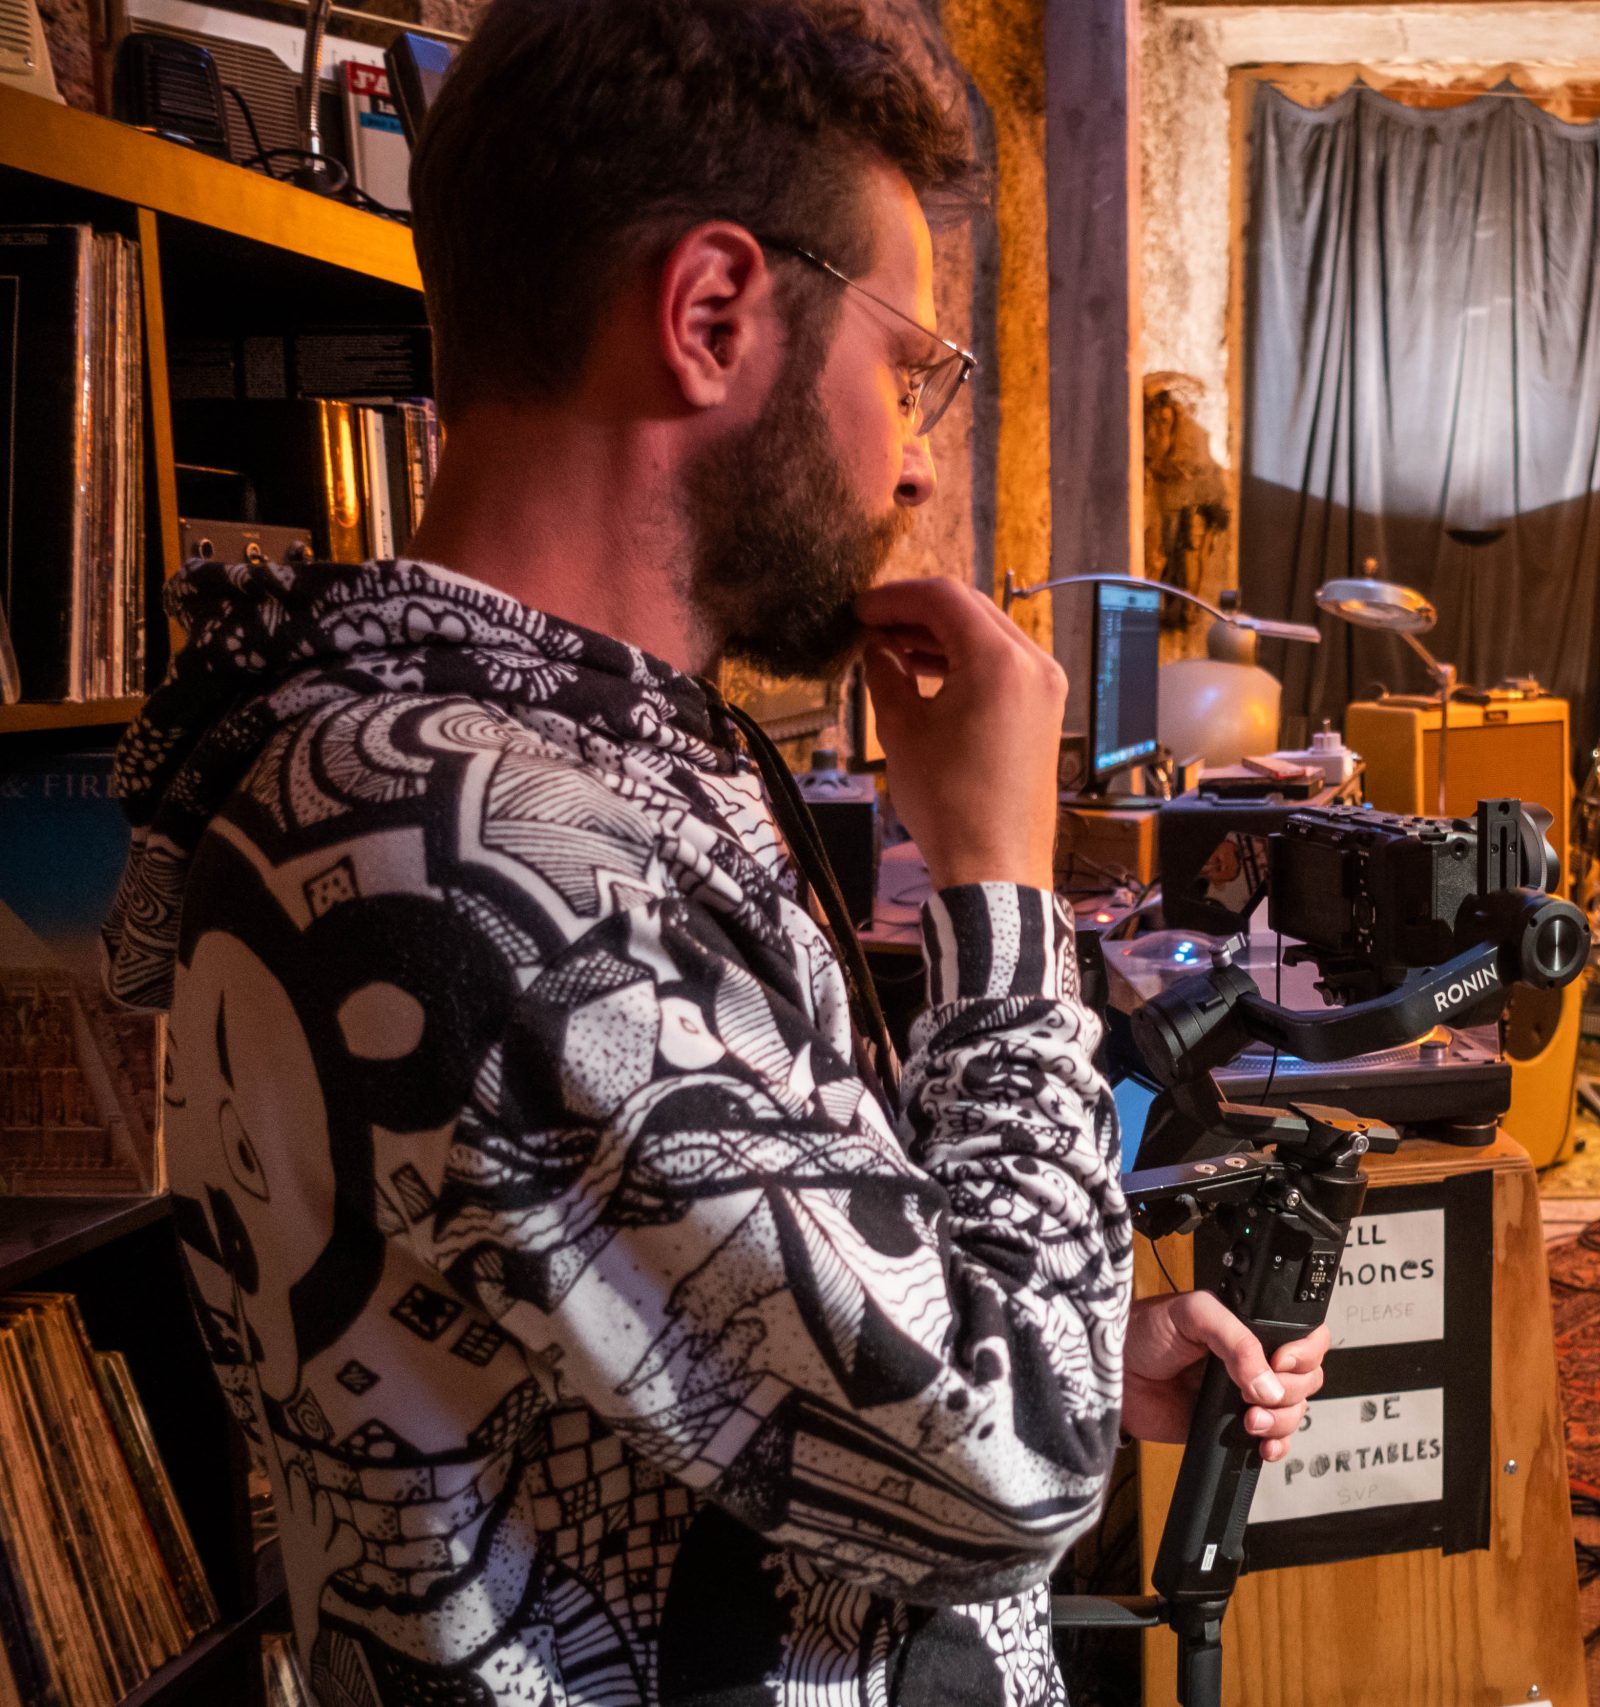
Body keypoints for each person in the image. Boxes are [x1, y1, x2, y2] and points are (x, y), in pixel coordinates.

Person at [98, 4, 1326, 1702]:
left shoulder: (561, 763)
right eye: (909, 371)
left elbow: (697, 1322)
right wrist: (999, 885)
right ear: (711, 314)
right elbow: (1021, 1465)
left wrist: (1057, 1339)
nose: (916, 460)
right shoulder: (455, 849)